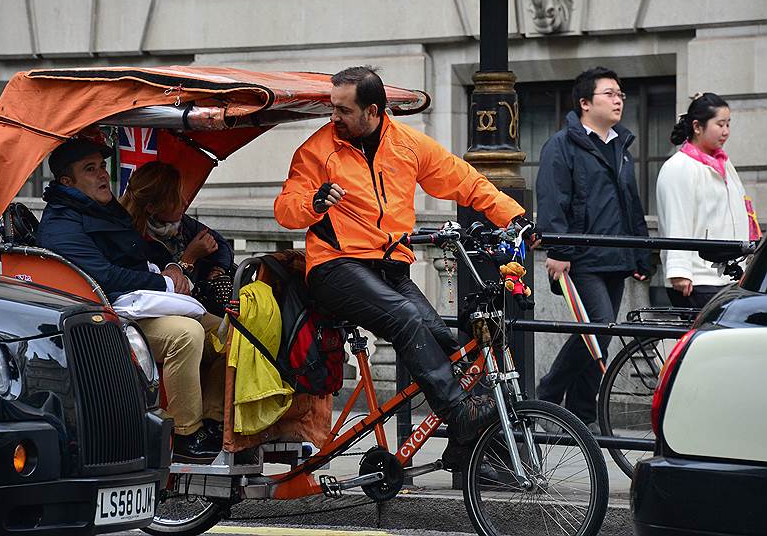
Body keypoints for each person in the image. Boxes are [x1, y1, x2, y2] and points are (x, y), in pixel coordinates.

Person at [273, 66, 536, 469]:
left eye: (343, 110)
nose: (333, 117)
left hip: (389, 268)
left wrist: (513, 217)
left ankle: (470, 452)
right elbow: (285, 208)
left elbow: (464, 180)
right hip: (335, 267)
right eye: (333, 107)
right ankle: (460, 418)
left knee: (450, 347)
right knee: (406, 318)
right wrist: (316, 201)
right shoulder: (317, 151)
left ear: (373, 111)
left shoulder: (407, 145)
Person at [36, 136, 225, 463]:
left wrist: (170, 266)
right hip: (105, 320)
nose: (102, 174)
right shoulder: (62, 224)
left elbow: (139, 250)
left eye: (102, 167)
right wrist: (164, 281)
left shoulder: (104, 209)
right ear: (67, 181)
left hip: (136, 305)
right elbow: (104, 277)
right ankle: (183, 434)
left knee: (232, 334)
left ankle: (213, 419)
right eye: (90, 169)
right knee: (186, 335)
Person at [535, 66, 651, 428]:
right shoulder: (562, 145)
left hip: (615, 257)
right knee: (599, 327)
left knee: (600, 336)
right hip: (580, 256)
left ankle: (583, 418)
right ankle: (546, 396)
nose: (618, 100)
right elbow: (554, 199)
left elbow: (631, 203)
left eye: (621, 94)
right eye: (609, 94)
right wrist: (559, 250)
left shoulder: (621, 146)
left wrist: (642, 254)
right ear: (585, 103)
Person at [657, 93, 759, 308]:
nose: (726, 131)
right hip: (698, 278)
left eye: (728, 124)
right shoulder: (679, 167)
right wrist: (679, 271)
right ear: (697, 126)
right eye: (720, 124)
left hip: (727, 275)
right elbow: (677, 219)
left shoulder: (723, 162)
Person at [119, 161, 234, 284]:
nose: (184, 203)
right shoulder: (131, 239)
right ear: (152, 207)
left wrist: (217, 270)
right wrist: (188, 258)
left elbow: (222, 245)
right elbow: (163, 287)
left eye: (181, 194)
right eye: (175, 199)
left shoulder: (182, 223)